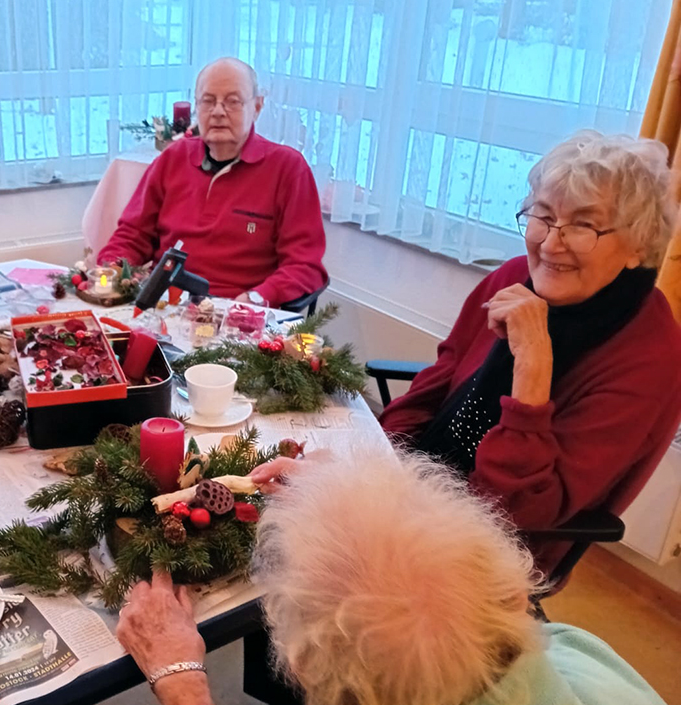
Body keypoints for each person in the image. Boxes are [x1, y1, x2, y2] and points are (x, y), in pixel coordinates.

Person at [116, 448, 668, 705]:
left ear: (304, 673)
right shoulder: (583, 657)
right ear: (514, 592)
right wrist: (344, 499)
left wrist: (182, 679)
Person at [378, 131, 681, 575]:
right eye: (544, 216)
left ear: (639, 244)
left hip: (500, 549)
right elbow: (441, 379)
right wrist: (385, 460)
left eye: (584, 225)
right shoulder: (514, 277)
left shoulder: (650, 357)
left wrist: (533, 367)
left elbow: (518, 511)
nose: (551, 244)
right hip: (420, 486)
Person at [97, 57, 327, 308]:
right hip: (163, 305)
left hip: (235, 311)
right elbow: (132, 235)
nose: (218, 111)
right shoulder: (173, 158)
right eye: (208, 101)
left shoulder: (288, 168)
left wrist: (255, 298)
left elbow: (305, 266)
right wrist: (113, 269)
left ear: (257, 107)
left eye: (233, 101)